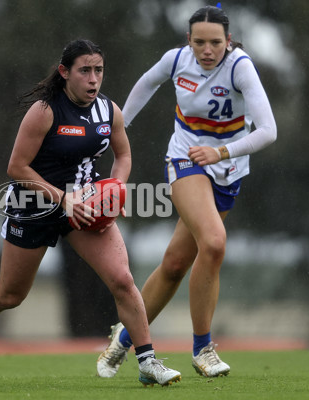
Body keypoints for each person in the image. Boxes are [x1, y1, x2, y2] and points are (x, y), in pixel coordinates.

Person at [0, 39, 181, 387]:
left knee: (123, 281)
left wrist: (115, 188)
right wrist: (62, 200)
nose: (93, 78)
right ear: (64, 72)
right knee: (10, 294)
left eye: (98, 70)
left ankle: (147, 361)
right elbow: (17, 167)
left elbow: (124, 155)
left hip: (85, 206)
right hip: (34, 205)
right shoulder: (45, 110)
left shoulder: (109, 111)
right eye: (85, 70)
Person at [96, 5, 277, 378]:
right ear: (188, 41)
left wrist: (221, 151)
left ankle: (126, 336)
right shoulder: (177, 60)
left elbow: (268, 130)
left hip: (227, 168)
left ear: (228, 41)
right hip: (184, 162)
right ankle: (203, 349)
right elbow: (147, 83)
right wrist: (119, 128)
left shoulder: (240, 67)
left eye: (215, 43)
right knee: (213, 242)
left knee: (176, 264)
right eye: (199, 42)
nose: (206, 50)